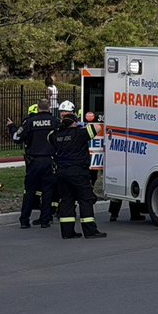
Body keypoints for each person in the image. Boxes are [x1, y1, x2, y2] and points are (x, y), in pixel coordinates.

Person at [51, 100, 106, 239]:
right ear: (74, 122)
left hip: (61, 173)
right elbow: (99, 127)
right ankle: (90, 231)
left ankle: (67, 232)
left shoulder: (56, 136)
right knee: (85, 199)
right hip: (78, 172)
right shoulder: (79, 133)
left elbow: (49, 137)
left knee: (67, 201)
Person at [6, 99, 58, 228]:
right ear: (49, 107)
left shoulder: (29, 122)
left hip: (33, 162)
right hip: (50, 160)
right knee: (47, 191)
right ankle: (45, 220)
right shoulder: (55, 122)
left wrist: (12, 127)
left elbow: (17, 138)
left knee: (29, 191)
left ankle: (24, 220)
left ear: (38, 108)